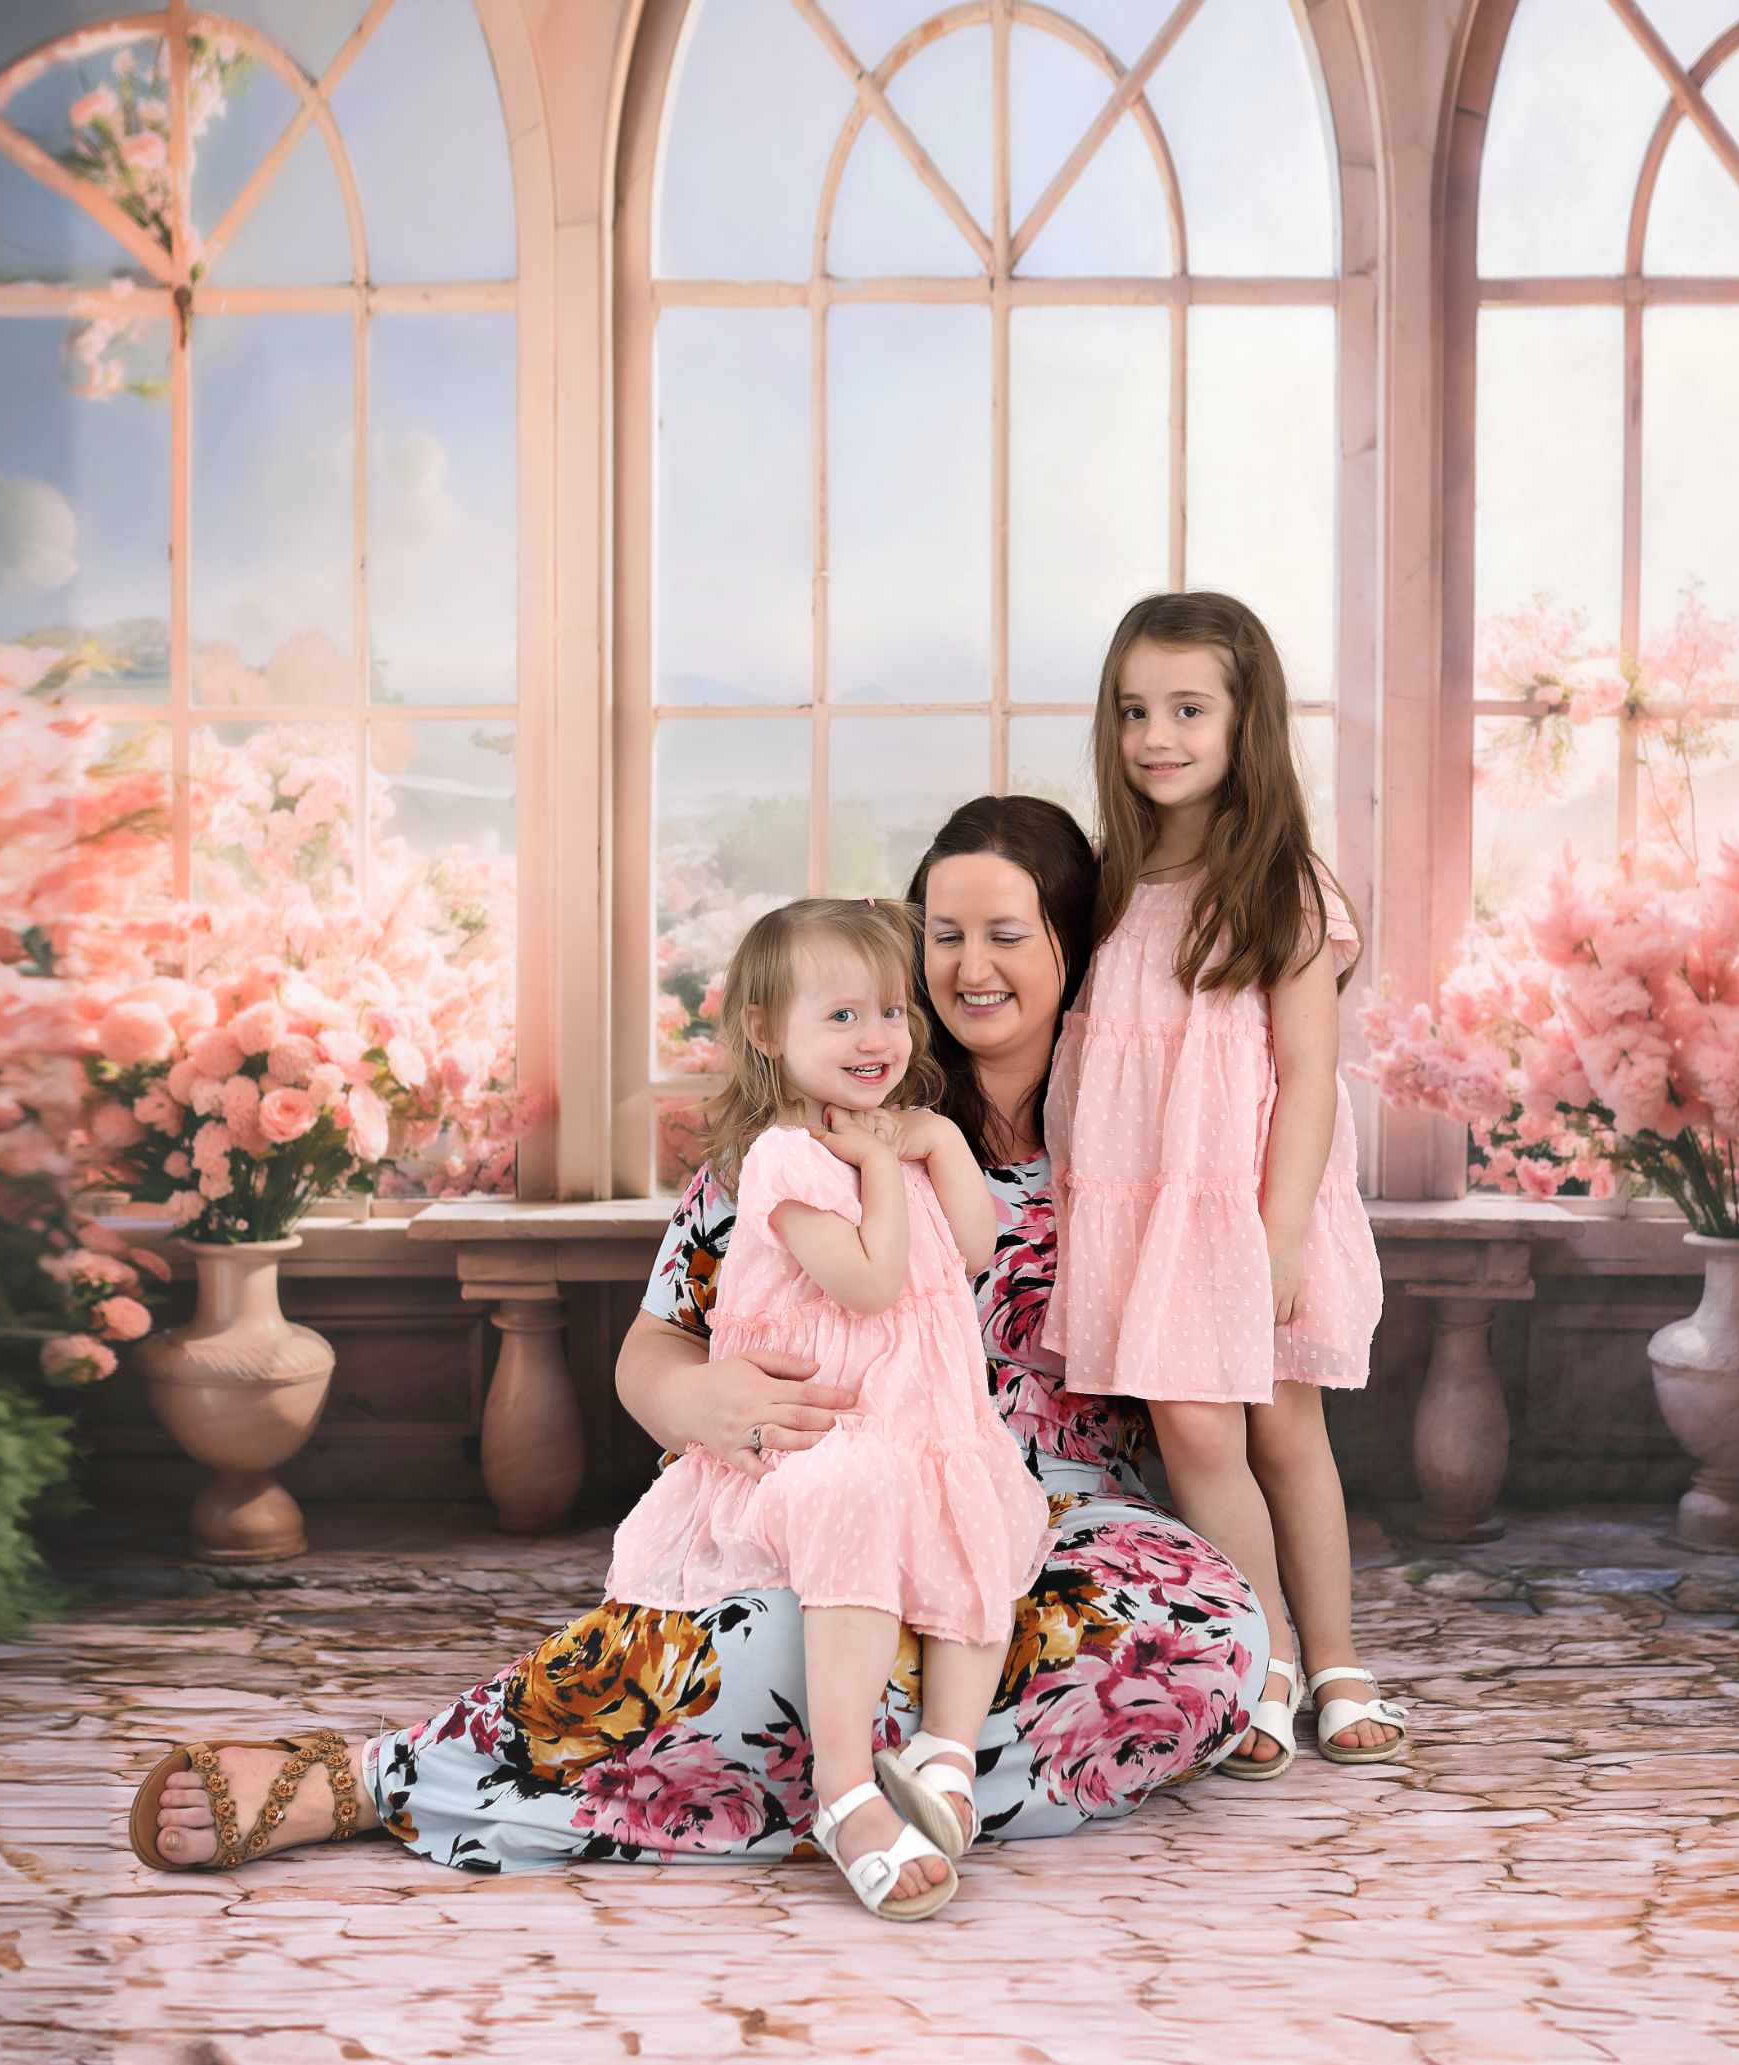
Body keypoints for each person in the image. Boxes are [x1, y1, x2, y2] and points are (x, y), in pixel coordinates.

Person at [129, 795, 1271, 1879]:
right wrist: (694, 1402)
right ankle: (385, 1777)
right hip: (830, 1501)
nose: (972, 968)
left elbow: (1222, 1410)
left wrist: (1309, 1660)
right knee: (769, 1649)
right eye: (943, 938)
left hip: (1056, 1523)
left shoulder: (1130, 1156)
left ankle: (852, 1782)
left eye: (1010, 935)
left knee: (1201, 1637)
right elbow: (653, 1346)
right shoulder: (799, 1147)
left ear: (1075, 950)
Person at [600, 897, 1053, 1919]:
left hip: (929, 1427)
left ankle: (944, 1757)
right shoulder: (787, 1158)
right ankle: (845, 1792)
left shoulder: (894, 1141)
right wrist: (887, 1166)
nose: (876, 1037)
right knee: (860, 1508)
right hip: (834, 1437)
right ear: (767, 1032)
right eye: (841, 1016)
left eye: (890, 1011)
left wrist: (936, 1145)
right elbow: (867, 1279)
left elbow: (976, 1247)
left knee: (983, 1523)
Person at [1043, 591, 1409, 1780]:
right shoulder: (1101, 888)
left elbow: (1308, 1077)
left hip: (1246, 1200)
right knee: (1193, 1427)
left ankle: (1341, 1656)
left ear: (1243, 720)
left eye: (1189, 708)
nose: (1159, 734)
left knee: (1286, 1426)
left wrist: (1281, 1231)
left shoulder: (1281, 889)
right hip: (1138, 1207)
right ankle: (1272, 1654)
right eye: (1136, 709)